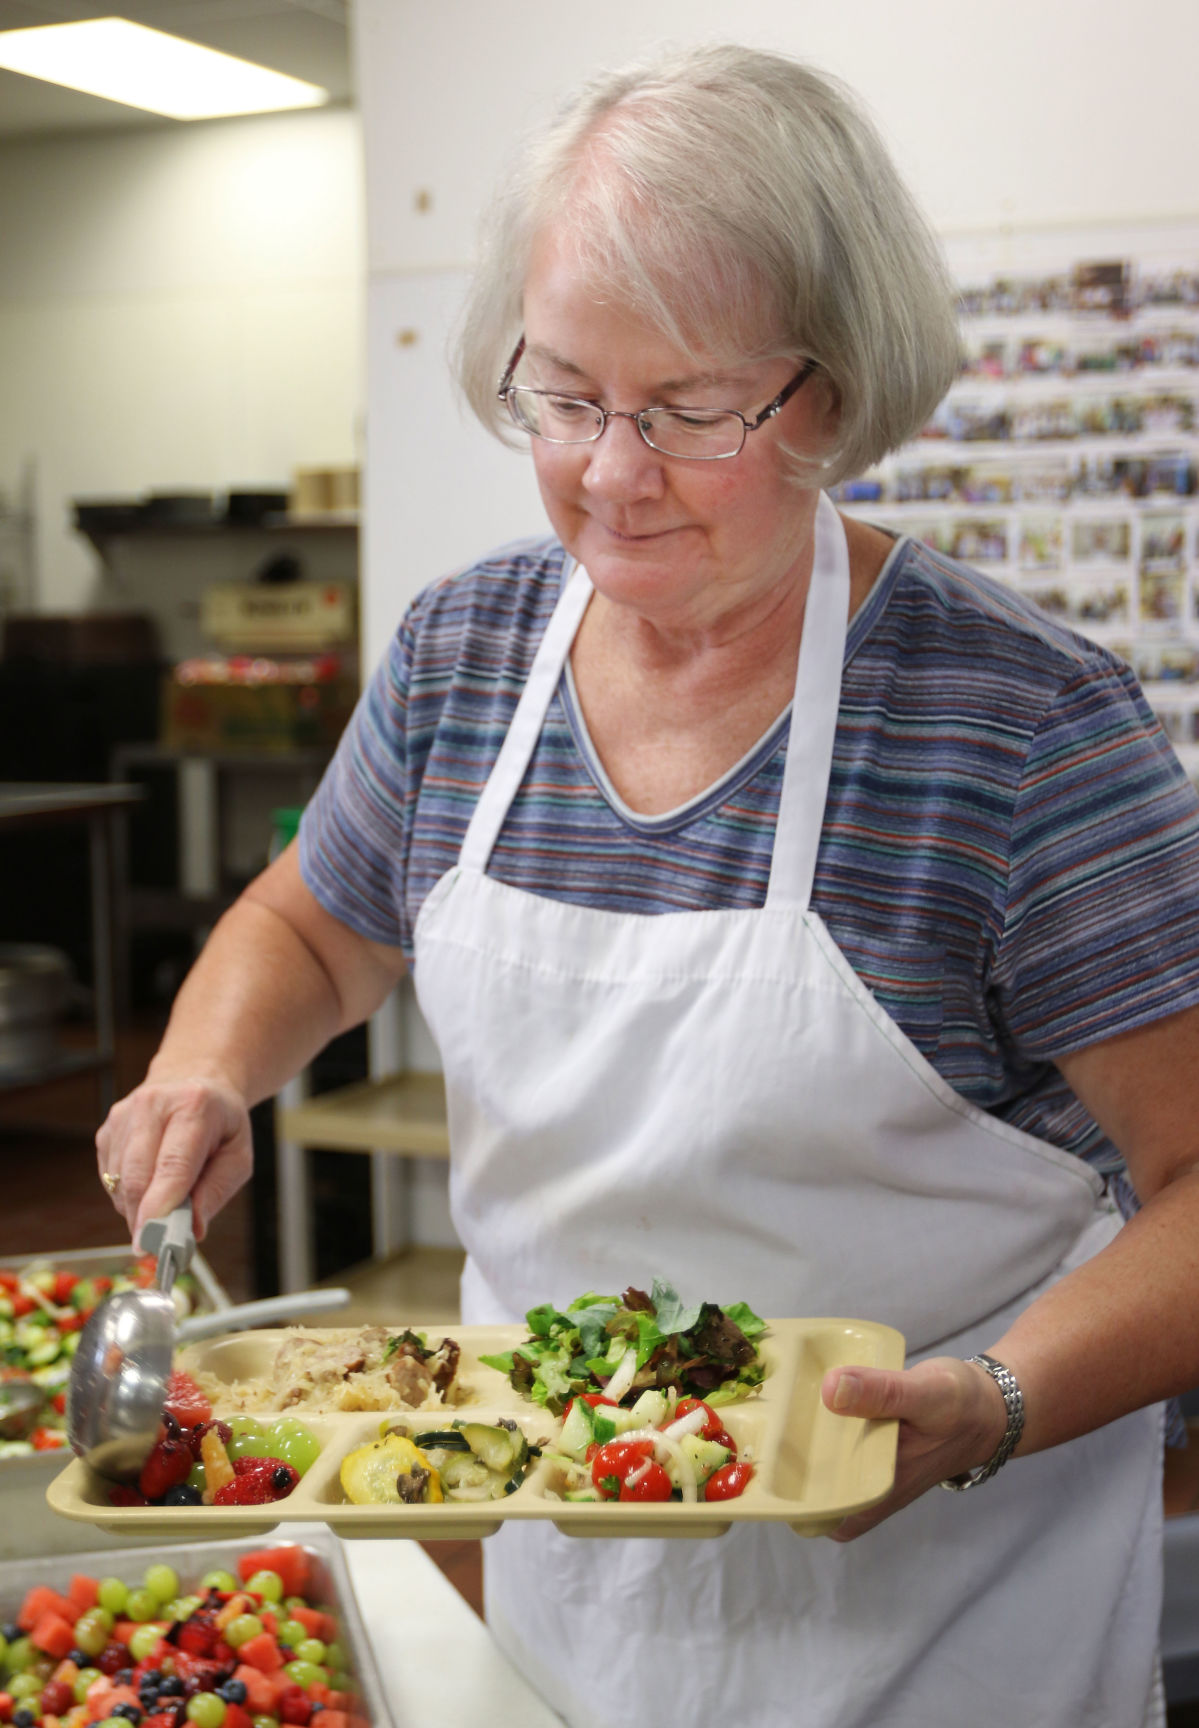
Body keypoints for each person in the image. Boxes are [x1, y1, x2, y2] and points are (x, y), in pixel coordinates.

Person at [96, 42, 1199, 1728]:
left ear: (829, 393)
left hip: (949, 1617)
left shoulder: (1021, 723)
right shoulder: (465, 653)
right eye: (563, 397)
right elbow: (315, 926)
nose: (610, 472)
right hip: (571, 1579)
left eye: (688, 411)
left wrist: (995, 1397)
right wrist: (202, 1069)